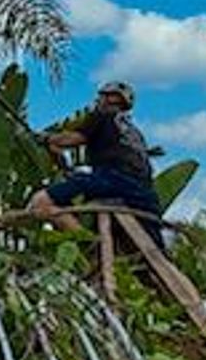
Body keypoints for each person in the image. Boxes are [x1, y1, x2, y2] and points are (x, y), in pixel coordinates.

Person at [28, 81, 164, 246]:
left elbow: (73, 139)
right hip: (145, 196)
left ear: (109, 99)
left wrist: (46, 138)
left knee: (41, 203)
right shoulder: (133, 132)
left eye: (102, 97)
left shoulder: (103, 116)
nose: (99, 101)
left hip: (112, 180)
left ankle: (91, 246)